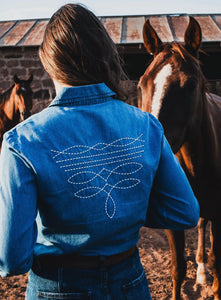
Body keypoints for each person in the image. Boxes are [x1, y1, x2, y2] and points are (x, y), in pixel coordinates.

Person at [0, 3, 199, 299]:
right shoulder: (146, 126)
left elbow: (11, 260)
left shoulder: (23, 142)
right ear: (105, 57)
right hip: (130, 281)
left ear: (49, 62)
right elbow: (185, 212)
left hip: (56, 286)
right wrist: (127, 209)